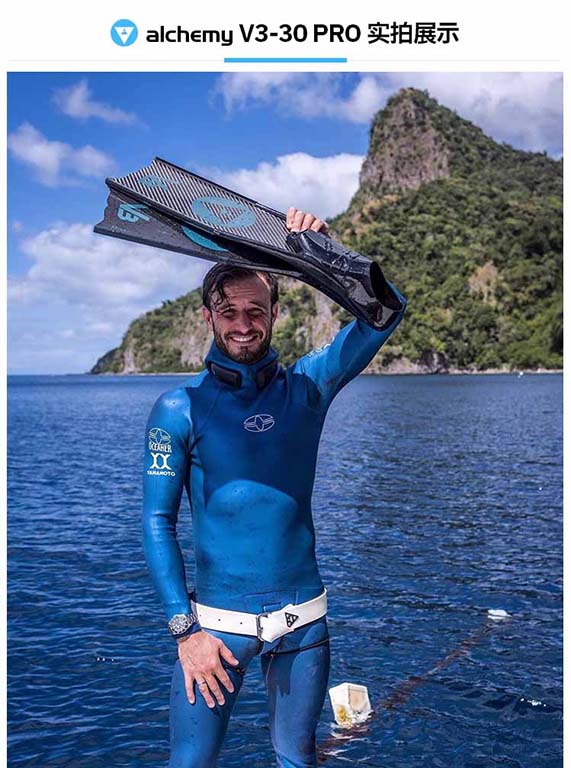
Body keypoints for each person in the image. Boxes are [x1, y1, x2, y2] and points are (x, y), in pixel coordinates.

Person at [142, 207, 407, 767]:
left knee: (296, 759)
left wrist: (325, 256)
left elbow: (386, 312)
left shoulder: (308, 387)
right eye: (229, 312)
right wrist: (185, 632)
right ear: (208, 317)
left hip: (303, 624)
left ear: (275, 313)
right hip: (216, 631)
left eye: (255, 311)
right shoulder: (178, 408)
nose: (243, 324)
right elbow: (157, 521)